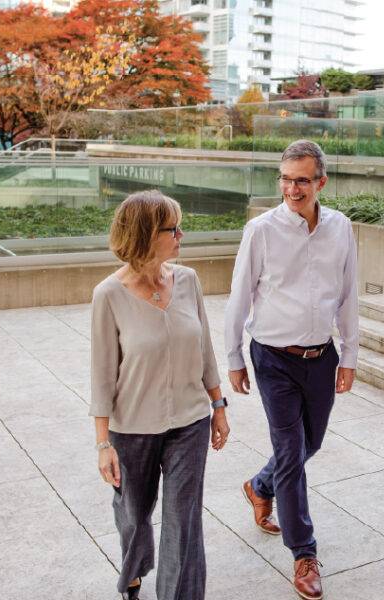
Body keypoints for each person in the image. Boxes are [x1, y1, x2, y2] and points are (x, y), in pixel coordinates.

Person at [224, 140, 359, 600]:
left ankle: (259, 486)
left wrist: (350, 356)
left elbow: (348, 295)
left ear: (322, 182)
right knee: (289, 449)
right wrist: (234, 357)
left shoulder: (341, 227)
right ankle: (304, 552)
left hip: (321, 358)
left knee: (309, 444)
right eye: (285, 179)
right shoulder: (261, 230)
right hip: (274, 358)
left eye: (302, 180)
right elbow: (239, 294)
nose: (292, 188)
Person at [89, 190, 231, 600]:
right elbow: (102, 376)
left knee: (183, 522)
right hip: (133, 427)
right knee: (134, 515)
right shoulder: (109, 295)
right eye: (173, 229)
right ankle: (134, 568)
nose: (181, 235)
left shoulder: (188, 280)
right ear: (147, 235)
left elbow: (204, 349)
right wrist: (103, 444)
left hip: (189, 421)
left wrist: (218, 406)